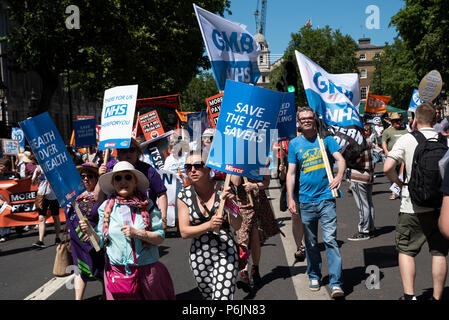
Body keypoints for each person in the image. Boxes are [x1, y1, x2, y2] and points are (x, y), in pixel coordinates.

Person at [80, 161, 175, 300]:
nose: (123, 181)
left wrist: (138, 233)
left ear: (135, 181)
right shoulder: (106, 208)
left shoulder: (147, 205)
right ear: (113, 183)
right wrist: (90, 232)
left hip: (147, 269)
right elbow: (99, 242)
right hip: (117, 272)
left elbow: (160, 237)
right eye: (118, 178)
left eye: (128, 177)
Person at [384, 102, 449, 300]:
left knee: (406, 250)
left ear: (415, 120)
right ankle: (437, 297)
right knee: (439, 252)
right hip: (439, 204)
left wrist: (399, 183)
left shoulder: (407, 139)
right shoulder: (446, 141)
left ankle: (409, 295)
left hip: (413, 205)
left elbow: (387, 167)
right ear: (435, 119)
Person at [286, 107, 346, 298]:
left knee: (330, 240)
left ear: (314, 119)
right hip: (305, 200)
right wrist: (290, 197)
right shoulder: (294, 144)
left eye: (309, 118)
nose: (306, 121)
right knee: (311, 242)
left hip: (326, 199)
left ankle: (336, 282)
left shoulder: (326, 139)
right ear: (298, 122)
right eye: (303, 119)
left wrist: (339, 176)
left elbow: (341, 160)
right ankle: (314, 274)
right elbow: (291, 173)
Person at [177, 151, 242, 300]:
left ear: (209, 168)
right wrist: (209, 225)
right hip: (199, 256)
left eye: (198, 165)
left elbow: (238, 225)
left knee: (222, 298)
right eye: (188, 166)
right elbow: (184, 232)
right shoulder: (184, 195)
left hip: (225, 251)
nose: (192, 170)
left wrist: (231, 204)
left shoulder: (223, 188)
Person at [96, 138, 168, 231]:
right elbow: (98, 198)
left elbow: (161, 193)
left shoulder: (148, 170)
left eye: (132, 150)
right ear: (118, 153)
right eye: (124, 150)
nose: (128, 154)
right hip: (117, 224)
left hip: (145, 221)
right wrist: (100, 178)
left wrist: (163, 218)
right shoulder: (111, 170)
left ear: (137, 152)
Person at [231, 171, 281, 292]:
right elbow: (236, 182)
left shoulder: (260, 158)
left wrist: (254, 186)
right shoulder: (235, 160)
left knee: (255, 237)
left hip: (258, 202)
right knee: (242, 236)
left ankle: (255, 269)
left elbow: (266, 181)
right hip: (242, 203)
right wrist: (240, 164)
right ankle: (243, 271)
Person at [64, 163, 105, 300]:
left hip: (96, 240)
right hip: (78, 241)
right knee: (79, 270)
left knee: (101, 269)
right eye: (83, 176)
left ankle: (106, 294)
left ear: (97, 179)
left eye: (90, 176)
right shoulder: (73, 197)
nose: (86, 179)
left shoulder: (101, 196)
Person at [347, 133, 376, 241]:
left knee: (363, 205)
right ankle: (370, 228)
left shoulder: (357, 142)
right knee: (368, 204)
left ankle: (364, 231)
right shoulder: (367, 140)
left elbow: (355, 160)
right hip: (368, 174)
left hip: (359, 176)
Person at [31, 165, 61, 248]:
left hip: (54, 195)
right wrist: (37, 175)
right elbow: (33, 183)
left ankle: (57, 237)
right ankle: (41, 240)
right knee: (41, 218)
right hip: (42, 195)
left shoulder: (55, 166)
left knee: (55, 216)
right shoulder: (38, 168)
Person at [382, 113, 408, 200]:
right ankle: (394, 192)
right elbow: (384, 142)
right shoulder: (387, 131)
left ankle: (403, 191)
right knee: (393, 175)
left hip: (404, 158)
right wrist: (386, 152)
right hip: (392, 157)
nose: (398, 122)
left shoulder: (405, 131)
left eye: (400, 121)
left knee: (404, 175)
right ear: (392, 122)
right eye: (396, 121)